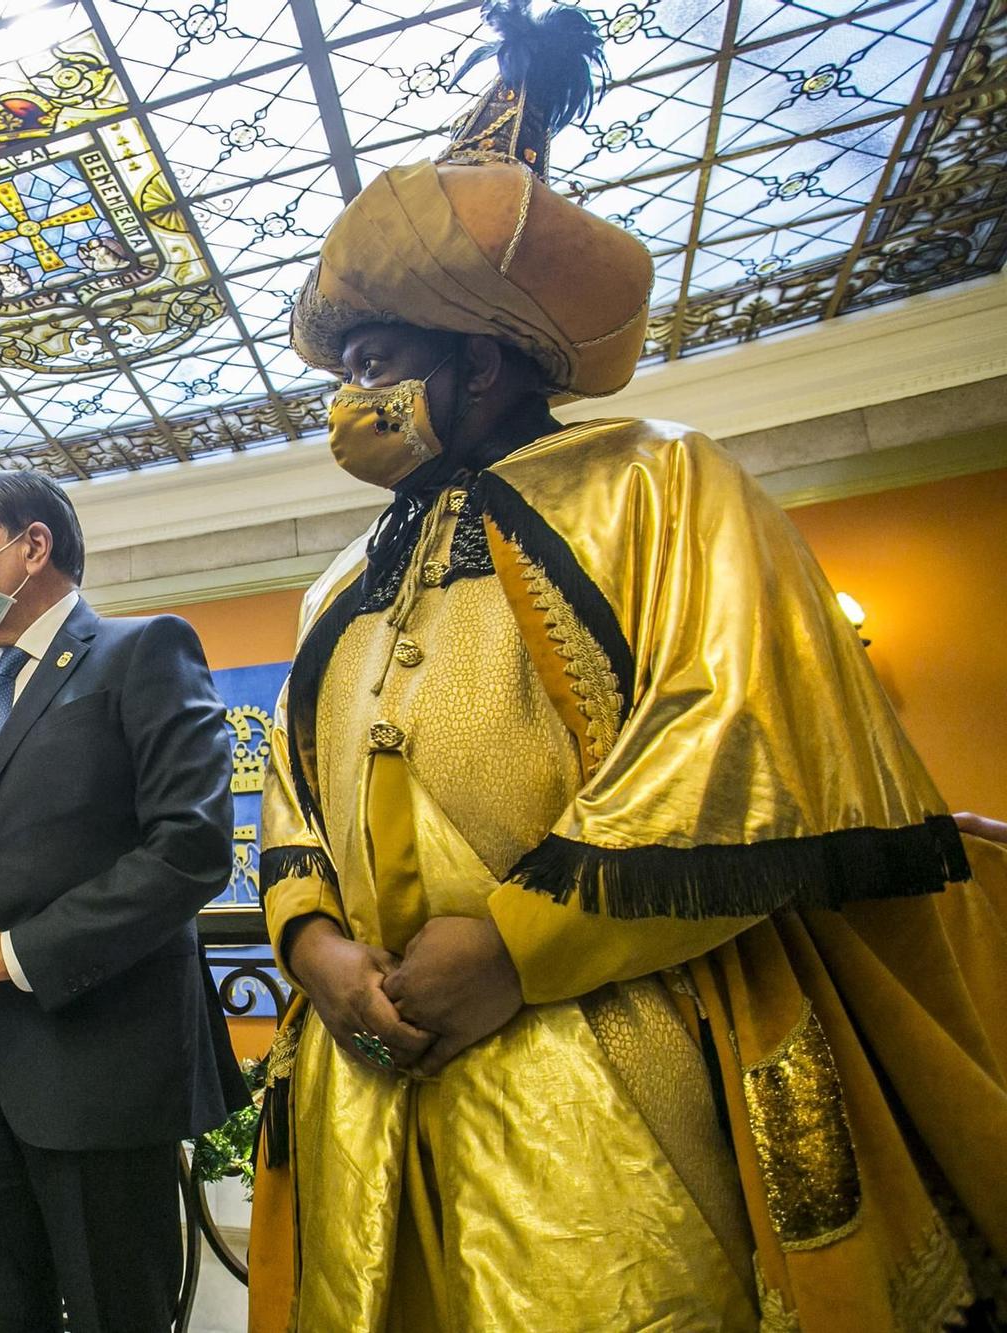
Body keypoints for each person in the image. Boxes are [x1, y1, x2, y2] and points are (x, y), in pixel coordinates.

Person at [245, 4, 1007, 1330]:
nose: (345, 397)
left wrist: (516, 942)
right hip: (365, 1083)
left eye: (375, 364)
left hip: (614, 1067)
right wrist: (311, 944)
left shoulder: (667, 482)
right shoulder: (335, 577)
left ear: (480, 361)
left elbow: (735, 728)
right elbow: (293, 787)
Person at [0, 469, 246, 1333]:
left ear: (32, 545)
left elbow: (191, 847)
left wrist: (10, 953)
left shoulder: (144, 650)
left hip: (98, 1077)